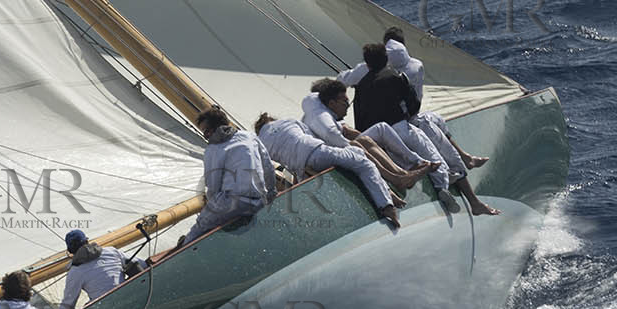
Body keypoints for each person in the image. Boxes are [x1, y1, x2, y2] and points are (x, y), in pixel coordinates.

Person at [350, 43, 498, 216]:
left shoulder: (360, 88)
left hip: (379, 141)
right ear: (386, 59)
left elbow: (359, 124)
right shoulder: (397, 76)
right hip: (402, 129)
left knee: (413, 160)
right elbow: (414, 105)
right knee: (436, 158)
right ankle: (451, 190)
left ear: (367, 64)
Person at [254, 113, 401, 229]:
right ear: (271, 120)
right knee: (362, 161)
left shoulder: (261, 143)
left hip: (301, 169)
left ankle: (384, 193)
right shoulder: (287, 121)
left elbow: (269, 168)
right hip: (317, 152)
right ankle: (387, 204)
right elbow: (313, 135)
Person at [303, 78, 434, 192]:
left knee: (379, 129)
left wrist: (373, 144)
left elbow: (348, 131)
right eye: (345, 102)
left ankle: (413, 164)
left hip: (335, 148)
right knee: (361, 144)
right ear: (330, 102)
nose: (348, 105)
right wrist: (367, 145)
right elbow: (340, 139)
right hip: (329, 157)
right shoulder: (322, 119)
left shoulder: (325, 112)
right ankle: (399, 176)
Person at [176, 107, 276, 247]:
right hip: (258, 200)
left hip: (231, 202)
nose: (206, 136)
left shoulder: (212, 150)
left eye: (206, 131)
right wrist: (271, 195)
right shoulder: (249, 136)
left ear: (216, 128)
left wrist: (212, 206)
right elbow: (268, 168)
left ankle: (185, 248)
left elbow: (213, 185)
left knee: (201, 225)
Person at [58, 229, 126, 309]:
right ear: (87, 241)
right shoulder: (111, 251)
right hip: (127, 296)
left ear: (70, 251)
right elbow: (142, 264)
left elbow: (67, 305)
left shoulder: (75, 272)